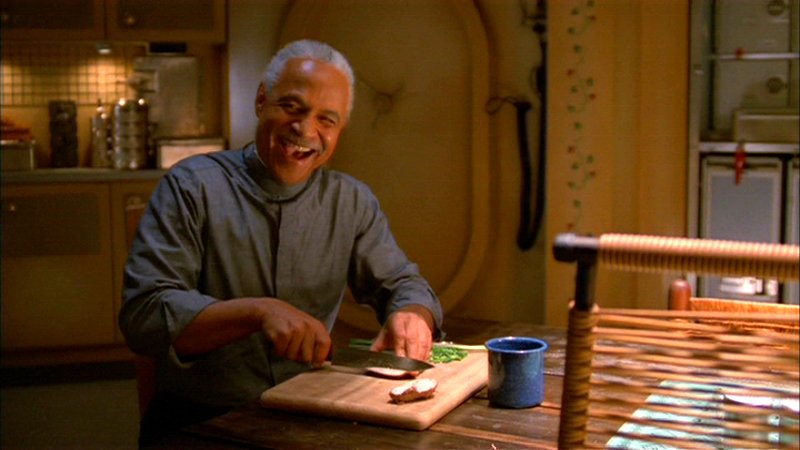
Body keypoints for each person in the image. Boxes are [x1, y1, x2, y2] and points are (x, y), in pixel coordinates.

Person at [119, 39, 443, 445]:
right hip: (202, 422)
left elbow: (403, 283)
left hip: (309, 415)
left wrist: (412, 313)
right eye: (292, 107)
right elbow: (144, 316)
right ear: (261, 100)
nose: (305, 130)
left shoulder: (352, 202)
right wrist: (258, 312)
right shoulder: (191, 186)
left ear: (340, 130)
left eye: (326, 119)